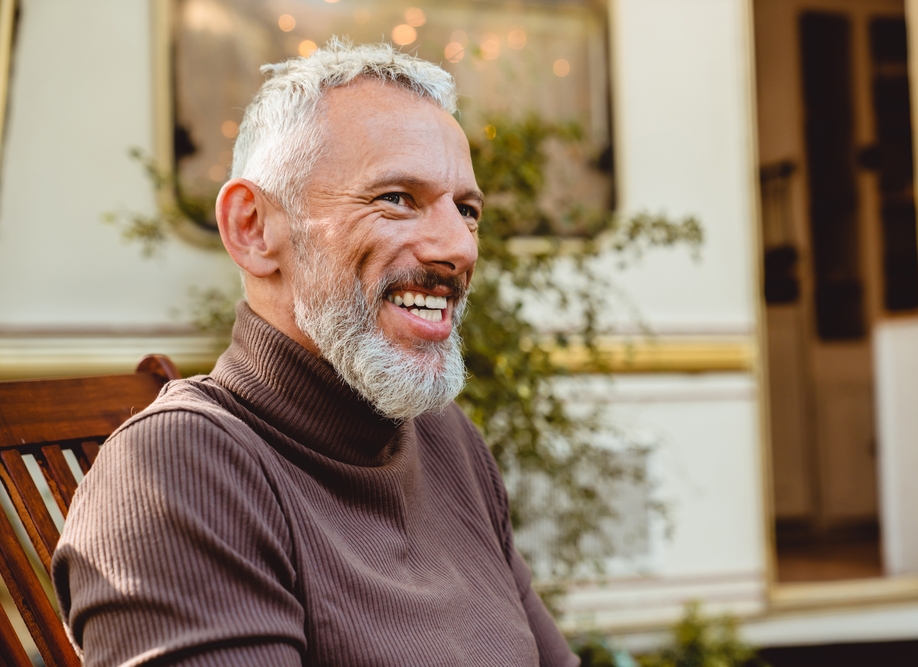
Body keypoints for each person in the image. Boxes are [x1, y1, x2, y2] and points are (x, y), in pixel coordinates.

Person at [52, 40, 579, 667]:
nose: (457, 248)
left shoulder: (444, 440)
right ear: (253, 228)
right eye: (396, 198)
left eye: (466, 209)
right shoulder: (182, 471)